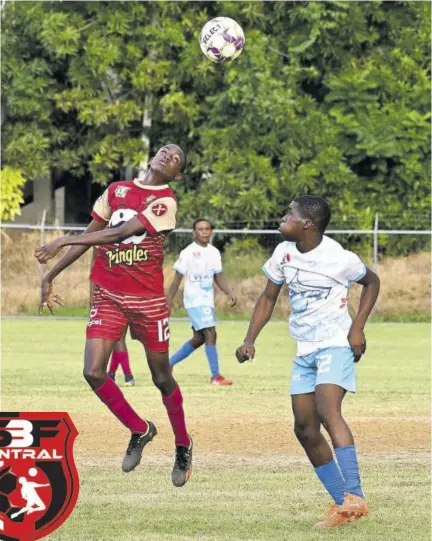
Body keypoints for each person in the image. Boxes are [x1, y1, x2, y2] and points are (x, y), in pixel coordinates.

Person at [35, 144, 193, 488]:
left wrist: (60, 239)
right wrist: (51, 275)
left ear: (177, 174)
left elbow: (120, 233)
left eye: (177, 157)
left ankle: (183, 443)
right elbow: (89, 239)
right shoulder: (116, 190)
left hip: (147, 301)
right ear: (153, 156)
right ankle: (140, 429)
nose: (169, 154)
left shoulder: (166, 201)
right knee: (93, 371)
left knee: (162, 378)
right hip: (107, 294)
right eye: (165, 150)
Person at [235, 195, 380, 529]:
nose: (283, 217)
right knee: (304, 427)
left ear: (308, 225)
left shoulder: (338, 257)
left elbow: (372, 281)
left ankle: (355, 495)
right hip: (305, 350)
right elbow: (268, 297)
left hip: (335, 343)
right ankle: (344, 504)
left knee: (328, 411)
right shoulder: (283, 253)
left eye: (290, 214)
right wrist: (249, 340)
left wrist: (357, 328)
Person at [167, 219, 236, 385]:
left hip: (207, 300)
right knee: (211, 333)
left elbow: (218, 276)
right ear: (194, 233)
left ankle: (168, 364)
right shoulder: (188, 253)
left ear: (211, 232)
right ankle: (215, 376)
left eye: (207, 229)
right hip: (194, 299)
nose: (204, 231)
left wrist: (229, 292)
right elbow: (177, 279)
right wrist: (167, 301)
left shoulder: (214, 252)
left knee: (199, 338)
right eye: (200, 229)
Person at [90, 250, 136, 386]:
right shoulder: (130, 241)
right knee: (117, 338)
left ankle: (128, 376)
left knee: (118, 338)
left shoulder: (104, 242)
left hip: (115, 295)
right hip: (131, 292)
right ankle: (111, 374)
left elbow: (95, 269)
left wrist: (93, 299)